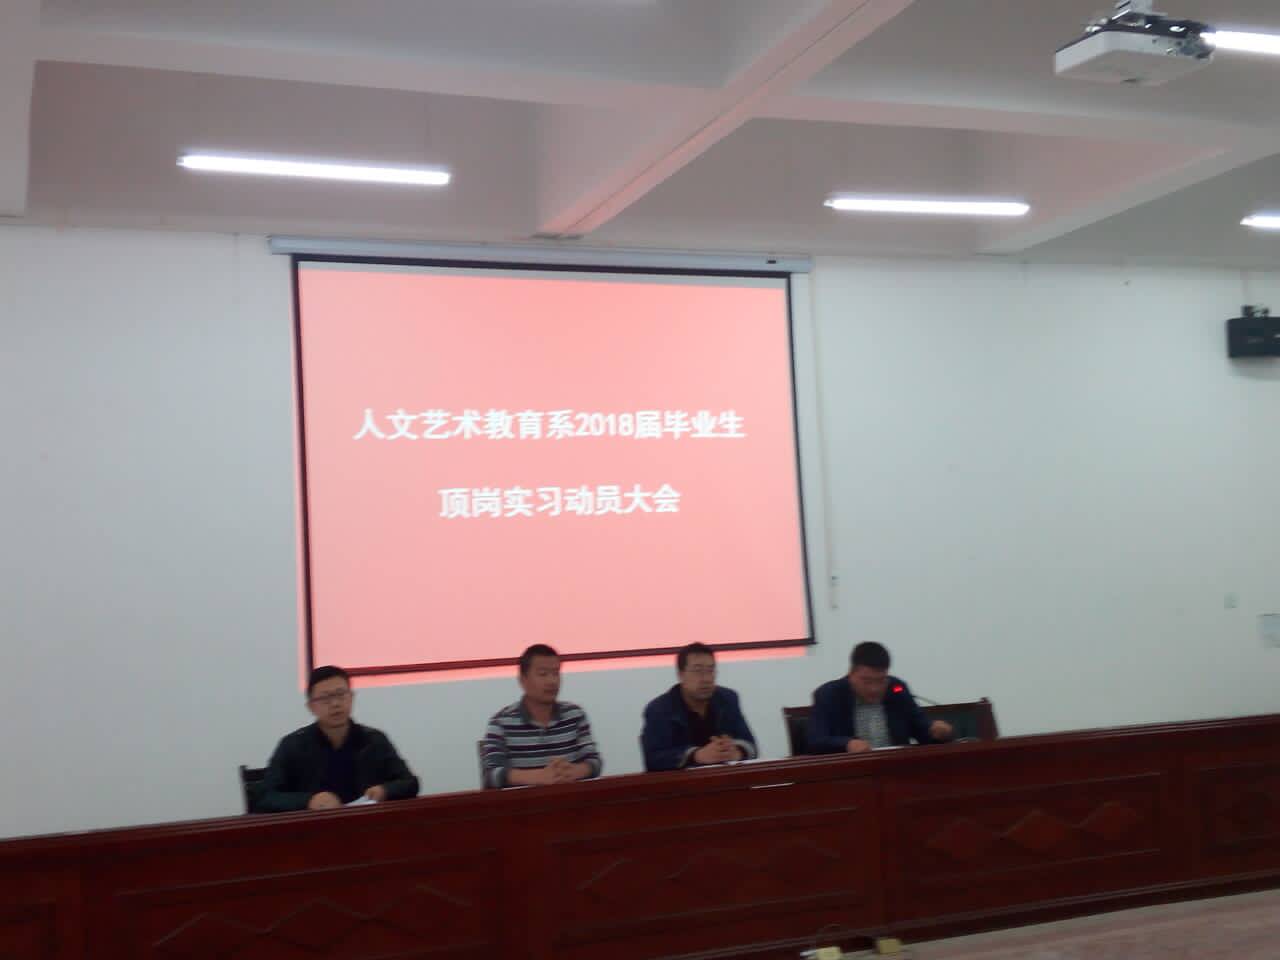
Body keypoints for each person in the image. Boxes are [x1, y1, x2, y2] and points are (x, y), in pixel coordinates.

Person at [258, 665, 419, 811]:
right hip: (314, 829)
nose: (335, 703)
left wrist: (385, 790)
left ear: (351, 697)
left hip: (365, 825)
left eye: (341, 694)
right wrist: (308, 801)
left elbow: (410, 783)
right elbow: (265, 797)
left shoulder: (374, 740)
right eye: (325, 698)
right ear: (311, 707)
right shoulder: (292, 746)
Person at [481, 644, 602, 788]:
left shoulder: (575, 715)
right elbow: (491, 775)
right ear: (523, 680)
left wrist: (574, 771)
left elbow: (594, 761)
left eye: (556, 673)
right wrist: (537, 777)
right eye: (543, 674)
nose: (552, 681)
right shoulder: (501, 723)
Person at [807, 642, 952, 754]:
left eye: (881, 680)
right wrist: (847, 744)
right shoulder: (829, 694)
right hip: (849, 773)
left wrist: (938, 733)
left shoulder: (897, 689)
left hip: (896, 768)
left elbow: (921, 731)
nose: (874, 688)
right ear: (851, 674)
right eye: (867, 681)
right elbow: (815, 742)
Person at [641, 642, 757, 771]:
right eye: (698, 671)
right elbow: (653, 759)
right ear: (681, 675)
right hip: (685, 782)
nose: (706, 679)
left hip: (724, 778)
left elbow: (751, 745)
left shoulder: (728, 699)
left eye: (710, 670)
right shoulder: (659, 709)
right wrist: (696, 755)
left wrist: (737, 751)